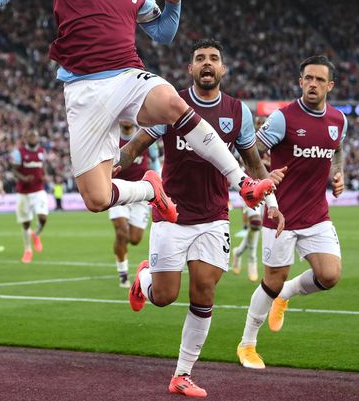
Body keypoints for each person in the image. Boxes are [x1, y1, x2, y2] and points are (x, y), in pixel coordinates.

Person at [0, 0, 273, 224]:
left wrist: (173, 5)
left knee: (173, 103)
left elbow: (162, 34)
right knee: (97, 198)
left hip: (126, 75)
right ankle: (150, 191)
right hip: (82, 88)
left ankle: (242, 183)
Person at [118, 39, 285, 397]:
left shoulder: (237, 112)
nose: (207, 64)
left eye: (214, 59)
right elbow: (136, 147)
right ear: (190, 69)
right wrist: (115, 165)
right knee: (163, 297)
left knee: (204, 291)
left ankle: (182, 374)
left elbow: (253, 163)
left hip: (214, 217)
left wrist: (271, 202)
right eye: (200, 59)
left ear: (223, 69)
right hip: (171, 214)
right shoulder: (172, 105)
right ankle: (143, 278)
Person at [237, 55, 347, 370]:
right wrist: (263, 178)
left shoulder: (338, 120)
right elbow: (251, 152)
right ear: (300, 82)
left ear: (330, 85)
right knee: (271, 281)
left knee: (330, 275)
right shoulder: (283, 119)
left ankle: (286, 295)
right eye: (308, 78)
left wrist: (338, 175)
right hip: (280, 215)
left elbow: (337, 150)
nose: (313, 84)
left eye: (319, 80)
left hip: (316, 214)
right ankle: (247, 344)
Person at [111, 121, 161, 288]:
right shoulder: (112, 138)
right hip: (118, 190)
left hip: (140, 192)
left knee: (134, 239)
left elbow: (154, 162)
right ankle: (123, 275)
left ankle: (133, 265)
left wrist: (160, 183)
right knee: (121, 232)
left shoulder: (145, 137)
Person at [232, 115, 269, 281]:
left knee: (257, 226)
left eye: (264, 123)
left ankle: (239, 252)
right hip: (250, 187)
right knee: (255, 223)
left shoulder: (272, 143)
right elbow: (242, 160)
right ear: (255, 125)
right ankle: (252, 259)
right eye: (259, 123)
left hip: (267, 189)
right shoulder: (249, 141)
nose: (261, 126)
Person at [11, 130, 49, 264]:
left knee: (43, 218)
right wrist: (23, 178)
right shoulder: (19, 152)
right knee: (26, 223)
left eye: (35, 136)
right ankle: (28, 250)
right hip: (23, 192)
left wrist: (45, 175)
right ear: (26, 138)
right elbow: (14, 169)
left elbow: (43, 166)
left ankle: (36, 234)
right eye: (30, 136)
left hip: (39, 190)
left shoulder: (42, 152)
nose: (33, 138)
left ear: (38, 138)